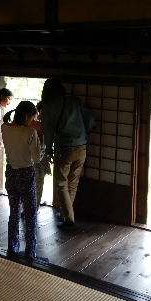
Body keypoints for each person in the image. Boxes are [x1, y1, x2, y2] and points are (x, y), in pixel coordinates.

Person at [41, 78, 94, 228]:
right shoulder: (74, 101)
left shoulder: (49, 108)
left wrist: (49, 150)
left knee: (61, 183)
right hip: (82, 146)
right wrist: (87, 129)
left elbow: (48, 133)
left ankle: (69, 219)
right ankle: (65, 213)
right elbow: (89, 116)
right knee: (73, 183)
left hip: (63, 148)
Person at [1, 101, 47, 261]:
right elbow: (36, 158)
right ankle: (30, 252)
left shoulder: (4, 128)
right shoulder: (30, 133)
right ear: (26, 116)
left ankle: (12, 248)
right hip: (26, 174)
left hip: (10, 172)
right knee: (30, 214)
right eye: (32, 119)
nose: (32, 122)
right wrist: (43, 145)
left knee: (14, 212)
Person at [30, 101, 51, 207]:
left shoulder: (28, 124)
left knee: (29, 184)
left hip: (27, 159)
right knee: (38, 184)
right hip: (39, 158)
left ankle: (26, 206)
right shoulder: (43, 125)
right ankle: (35, 206)